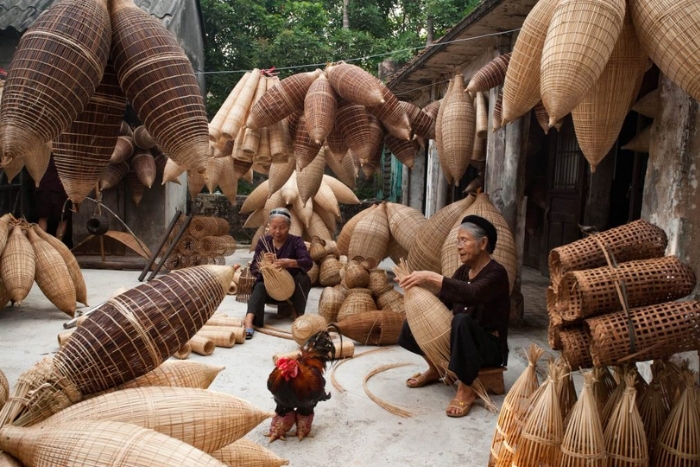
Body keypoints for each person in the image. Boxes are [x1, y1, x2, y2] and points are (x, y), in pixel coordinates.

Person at [397, 214, 510, 418]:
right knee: (413, 324)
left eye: (464, 240)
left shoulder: (497, 273)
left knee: (461, 321)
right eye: (458, 241)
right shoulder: (463, 271)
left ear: (483, 243)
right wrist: (416, 296)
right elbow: (443, 302)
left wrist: (430, 275)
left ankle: (466, 391)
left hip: (488, 347)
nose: (458, 246)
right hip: (461, 341)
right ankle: (435, 368)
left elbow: (472, 293)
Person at [243, 207, 313, 339]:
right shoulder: (264, 242)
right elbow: (253, 269)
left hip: (291, 291)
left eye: (282, 227)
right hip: (270, 290)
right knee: (259, 285)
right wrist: (263, 263)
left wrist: (290, 263)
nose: (278, 231)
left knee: (304, 278)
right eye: (274, 227)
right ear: (269, 226)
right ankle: (249, 320)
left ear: (289, 227)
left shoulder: (296, 241)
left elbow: (308, 263)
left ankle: (297, 313)